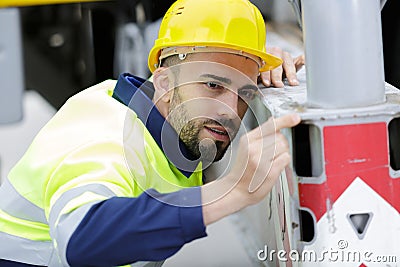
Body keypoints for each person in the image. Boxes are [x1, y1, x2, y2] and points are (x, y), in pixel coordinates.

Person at [0, 0, 303, 266]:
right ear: (164, 84)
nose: (229, 110)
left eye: (245, 92)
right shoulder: (106, 133)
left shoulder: (174, 132)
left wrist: (253, 66)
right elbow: (80, 239)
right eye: (213, 85)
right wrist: (230, 192)